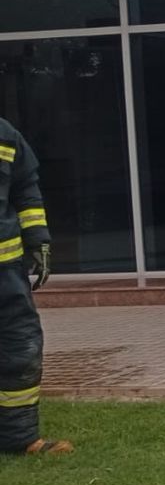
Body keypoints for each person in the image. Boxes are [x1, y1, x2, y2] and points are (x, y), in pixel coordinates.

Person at [0, 116, 67, 455]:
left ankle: (20, 438)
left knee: (21, 350)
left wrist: (38, 239)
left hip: (6, 274)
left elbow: (25, 187)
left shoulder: (5, 134)